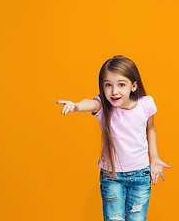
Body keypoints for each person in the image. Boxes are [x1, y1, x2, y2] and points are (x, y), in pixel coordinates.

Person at [56, 55, 171, 221]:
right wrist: (76, 106)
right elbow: (90, 103)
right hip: (112, 177)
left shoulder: (146, 104)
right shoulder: (104, 106)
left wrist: (154, 159)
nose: (114, 91)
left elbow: (150, 130)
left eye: (121, 84)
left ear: (134, 86)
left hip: (141, 176)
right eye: (108, 85)